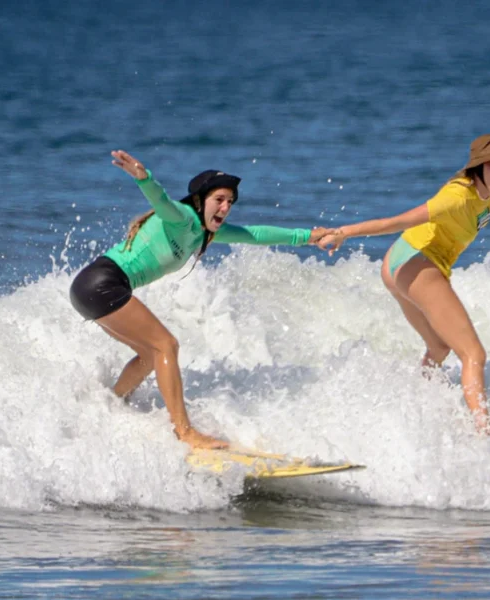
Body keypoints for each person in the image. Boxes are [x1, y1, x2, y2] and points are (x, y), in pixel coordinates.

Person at [319, 135, 490, 434]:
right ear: (478, 167)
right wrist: (343, 232)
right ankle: (484, 434)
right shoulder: (457, 196)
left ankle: (417, 410)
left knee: (439, 347)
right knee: (473, 354)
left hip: (398, 262)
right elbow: (399, 221)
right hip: (416, 260)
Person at [70, 150, 329, 449]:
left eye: (230, 202)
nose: (226, 206)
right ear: (200, 200)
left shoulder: (203, 233)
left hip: (91, 288)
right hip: (102, 282)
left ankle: (112, 406)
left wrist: (307, 236)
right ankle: (185, 433)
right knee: (166, 345)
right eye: (219, 199)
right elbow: (162, 202)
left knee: (150, 354)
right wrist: (145, 178)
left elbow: (255, 234)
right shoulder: (183, 218)